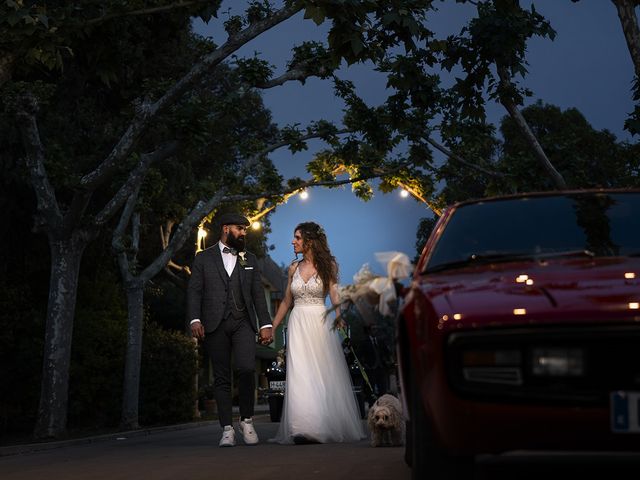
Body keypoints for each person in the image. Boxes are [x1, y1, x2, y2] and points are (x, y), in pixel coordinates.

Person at [269, 221, 366, 444]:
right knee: (300, 373)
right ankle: (303, 427)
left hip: (320, 322)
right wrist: (272, 327)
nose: (293, 241)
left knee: (321, 373)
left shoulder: (328, 265)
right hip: (297, 322)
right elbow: (286, 301)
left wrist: (339, 316)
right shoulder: (293, 268)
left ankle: (322, 424)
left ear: (309, 241)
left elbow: (333, 293)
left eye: (297, 238)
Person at [187, 212, 273, 447]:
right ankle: (226, 428)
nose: (244, 233)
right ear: (226, 229)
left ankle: (246, 420)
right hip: (214, 323)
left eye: (245, 229)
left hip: (243, 322)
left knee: (246, 369)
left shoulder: (250, 259)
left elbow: (257, 294)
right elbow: (195, 291)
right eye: (240, 228)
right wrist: (195, 319)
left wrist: (266, 324)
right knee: (221, 377)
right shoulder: (203, 258)